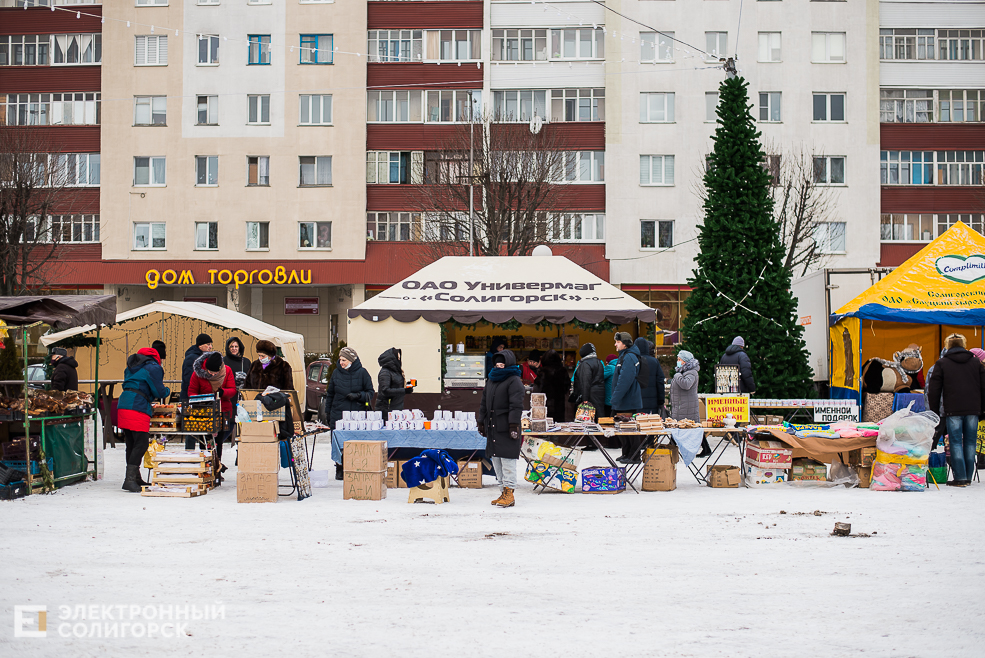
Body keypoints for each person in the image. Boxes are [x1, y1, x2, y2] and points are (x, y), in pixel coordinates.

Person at [927, 333, 985, 487]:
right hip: (973, 409)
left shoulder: (942, 363)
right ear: (964, 344)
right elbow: (984, 387)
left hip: (953, 409)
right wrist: (982, 409)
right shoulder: (976, 362)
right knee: (971, 442)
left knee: (956, 442)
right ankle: (968, 476)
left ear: (947, 346)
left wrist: (934, 411)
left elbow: (934, 390)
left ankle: (960, 478)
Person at [117, 347, 170, 492]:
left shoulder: (131, 367)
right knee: (141, 443)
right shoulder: (153, 367)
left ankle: (135, 478)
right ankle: (129, 480)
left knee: (131, 443)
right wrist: (167, 391)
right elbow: (159, 391)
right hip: (137, 405)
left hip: (124, 403)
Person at [477, 349, 524, 508]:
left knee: (507, 460)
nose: (499, 367)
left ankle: (509, 493)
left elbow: (516, 405)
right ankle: (503, 492)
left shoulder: (514, 380)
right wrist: (481, 421)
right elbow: (484, 403)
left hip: (507, 427)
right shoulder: (491, 379)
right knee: (496, 460)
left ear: (508, 364)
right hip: (493, 426)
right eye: (497, 364)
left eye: (502, 364)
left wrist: (513, 425)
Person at [325, 346, 375, 479]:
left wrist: (358, 395)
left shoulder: (363, 373)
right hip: (338, 413)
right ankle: (339, 467)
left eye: (344, 360)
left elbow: (370, 392)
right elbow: (330, 394)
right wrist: (327, 412)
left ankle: (356, 466)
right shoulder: (336, 373)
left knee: (355, 442)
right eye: (340, 360)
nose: (341, 362)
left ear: (352, 360)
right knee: (338, 442)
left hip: (356, 415)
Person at [188, 352, 236, 484]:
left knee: (218, 442)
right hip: (205, 413)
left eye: (215, 372)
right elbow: (192, 391)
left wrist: (223, 392)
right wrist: (201, 400)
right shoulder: (197, 373)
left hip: (222, 411)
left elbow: (232, 389)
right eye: (210, 372)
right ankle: (206, 470)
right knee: (205, 442)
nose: (212, 375)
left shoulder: (227, 371)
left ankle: (216, 470)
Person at [672, 350, 708, 457]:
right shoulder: (684, 372)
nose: (678, 361)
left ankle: (671, 448)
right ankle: (706, 448)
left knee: (690, 427)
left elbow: (686, 384)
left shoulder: (691, 372)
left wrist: (677, 376)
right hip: (683, 405)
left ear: (685, 361)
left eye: (679, 359)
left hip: (687, 406)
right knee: (683, 427)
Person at [181, 334, 212, 450]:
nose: (210, 346)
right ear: (200, 345)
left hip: (202, 397)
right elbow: (190, 379)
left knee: (204, 427)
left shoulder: (203, 357)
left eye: (211, 344)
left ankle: (205, 452)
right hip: (192, 397)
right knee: (192, 428)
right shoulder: (192, 358)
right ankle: (191, 452)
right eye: (208, 344)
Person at [533, 350, 570, 422]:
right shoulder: (563, 371)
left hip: (545, 403)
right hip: (559, 403)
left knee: (546, 423)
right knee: (559, 423)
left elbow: (537, 389)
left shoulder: (542, 371)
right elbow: (567, 386)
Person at [377, 347, 413, 419]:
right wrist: (404, 391)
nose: (399, 360)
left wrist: (407, 385)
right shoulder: (385, 372)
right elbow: (385, 390)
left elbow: (396, 384)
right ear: (392, 359)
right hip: (387, 408)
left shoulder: (395, 371)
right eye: (398, 358)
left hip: (396, 406)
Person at [571, 343, 605, 416]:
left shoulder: (585, 364)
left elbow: (585, 382)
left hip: (590, 396)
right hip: (599, 394)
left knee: (588, 417)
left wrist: (585, 399)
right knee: (599, 415)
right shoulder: (599, 362)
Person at [640, 340, 666, 415]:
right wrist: (661, 400)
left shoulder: (635, 361)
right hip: (653, 402)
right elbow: (660, 382)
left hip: (637, 402)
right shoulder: (654, 362)